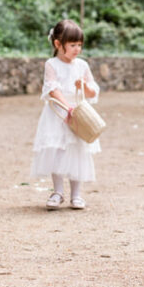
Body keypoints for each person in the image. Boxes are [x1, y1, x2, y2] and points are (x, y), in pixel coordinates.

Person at [31, 19, 100, 210]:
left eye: (79, 45)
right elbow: (53, 89)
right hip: (59, 113)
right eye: (72, 45)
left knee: (77, 150)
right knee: (58, 150)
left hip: (79, 112)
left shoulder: (82, 66)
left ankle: (77, 195)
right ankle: (58, 191)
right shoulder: (51, 64)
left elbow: (93, 90)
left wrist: (84, 87)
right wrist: (67, 108)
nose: (77, 49)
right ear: (58, 44)